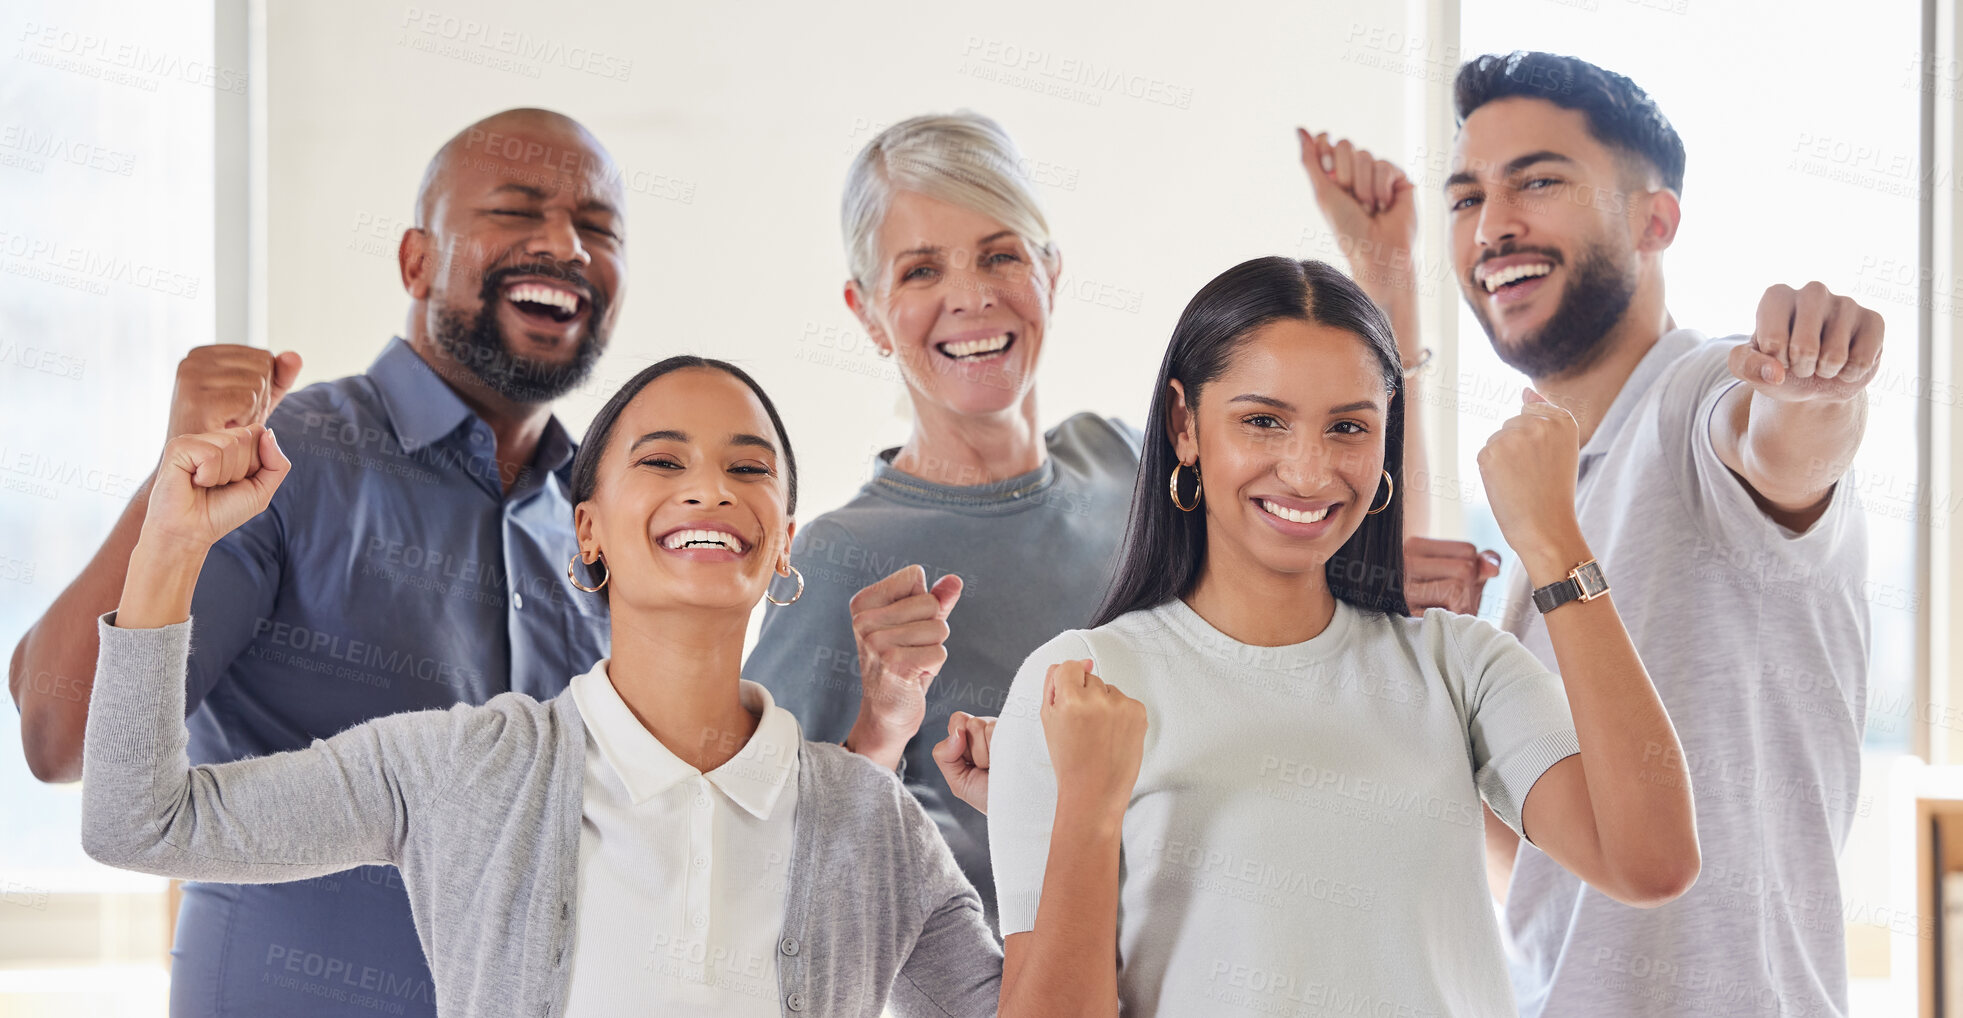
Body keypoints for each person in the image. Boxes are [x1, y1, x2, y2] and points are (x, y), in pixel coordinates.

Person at [79, 356, 1007, 1017]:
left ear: (783, 543)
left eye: (747, 467)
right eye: (662, 460)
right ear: (588, 533)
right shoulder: (455, 769)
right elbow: (140, 821)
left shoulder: (870, 819)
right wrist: (171, 542)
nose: (709, 489)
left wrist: (1041, 815)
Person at [9, 108, 628, 1017]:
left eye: (599, 227)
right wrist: (173, 488)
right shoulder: (281, 460)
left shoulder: (601, 518)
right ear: (417, 261)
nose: (565, 245)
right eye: (516, 209)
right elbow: (56, 737)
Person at [745, 111, 1426, 923]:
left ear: (1051, 274)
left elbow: (1356, 547)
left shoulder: (1128, 462)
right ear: (866, 312)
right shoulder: (838, 560)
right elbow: (769, 875)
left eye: (1001, 255)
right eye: (921, 271)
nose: (971, 295)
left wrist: (1387, 281)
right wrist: (878, 728)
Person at [985, 256, 1700, 1017]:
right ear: (1183, 425)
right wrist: (1090, 807)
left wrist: (1556, 542)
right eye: (1263, 420)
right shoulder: (1081, 684)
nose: (1307, 471)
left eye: (1348, 428)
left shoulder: (1458, 667)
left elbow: (1650, 862)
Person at [1441, 53, 1878, 1018]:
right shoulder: (1547, 491)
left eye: (1538, 181)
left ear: (1655, 219)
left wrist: (1815, 392)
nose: (1492, 224)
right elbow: (1541, 876)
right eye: (1466, 198)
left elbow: (1781, 446)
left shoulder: (1694, 397)